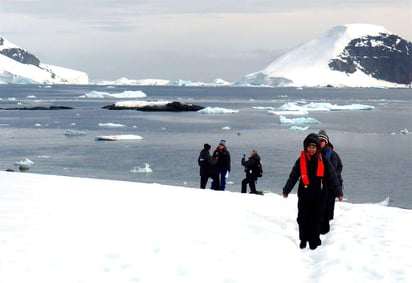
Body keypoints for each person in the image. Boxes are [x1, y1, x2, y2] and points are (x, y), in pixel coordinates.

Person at [282, 133, 343, 250]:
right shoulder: (301, 160)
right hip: (304, 195)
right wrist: (286, 190)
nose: (311, 149)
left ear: (317, 148)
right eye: (309, 147)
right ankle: (303, 240)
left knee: (316, 219)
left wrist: (339, 193)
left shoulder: (324, 161)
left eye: (314, 147)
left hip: (319, 196)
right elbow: (293, 176)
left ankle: (314, 241)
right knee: (302, 218)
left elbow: (333, 177)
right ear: (306, 147)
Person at [318, 130, 344, 234]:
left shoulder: (332, 155)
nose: (320, 142)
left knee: (328, 206)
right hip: (321, 185)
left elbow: (335, 169)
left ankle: (327, 231)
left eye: (322, 141)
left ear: (326, 142)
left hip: (332, 185)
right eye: (318, 140)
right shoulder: (315, 153)